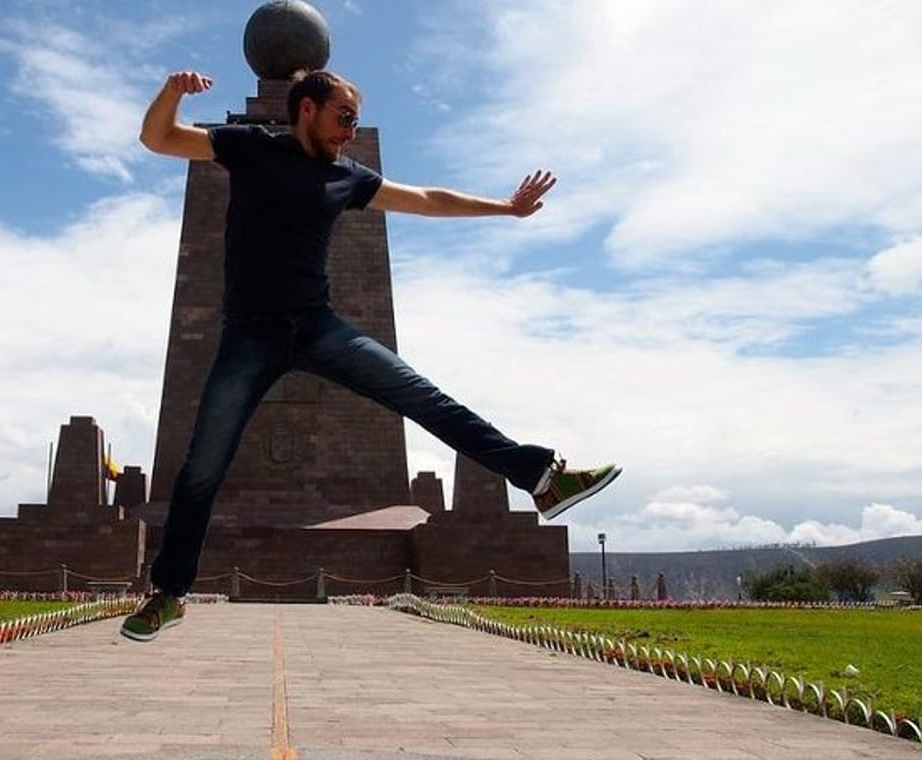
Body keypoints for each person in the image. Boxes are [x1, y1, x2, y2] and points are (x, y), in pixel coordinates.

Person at [121, 69, 621, 642]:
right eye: (345, 118)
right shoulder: (249, 148)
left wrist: (505, 208)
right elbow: (159, 139)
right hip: (248, 336)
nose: (350, 133)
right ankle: (169, 594)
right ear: (308, 109)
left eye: (355, 121)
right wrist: (172, 93)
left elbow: (428, 199)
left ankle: (540, 478)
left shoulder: (345, 176)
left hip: (317, 326)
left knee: (424, 398)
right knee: (202, 467)